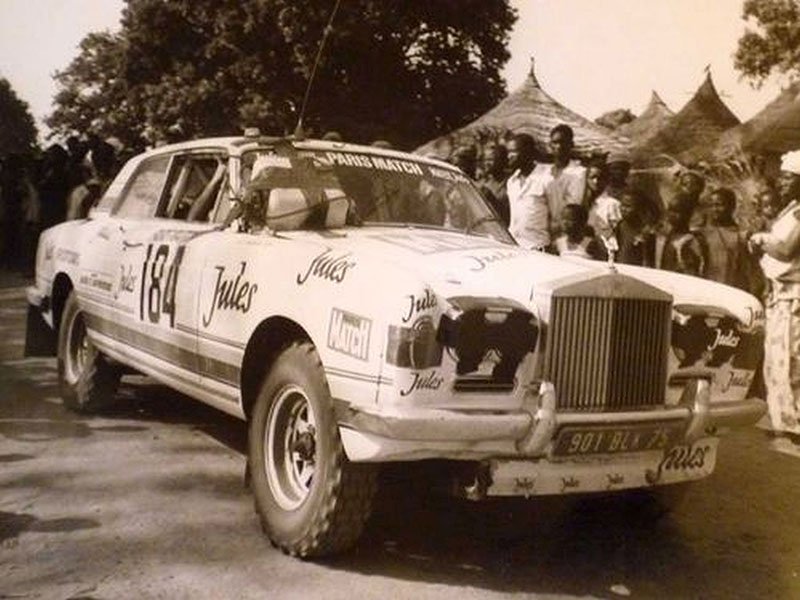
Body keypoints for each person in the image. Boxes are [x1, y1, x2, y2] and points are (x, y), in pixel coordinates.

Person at [748, 152, 800, 443]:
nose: (782, 183)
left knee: (792, 357)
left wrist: (760, 239)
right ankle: (784, 418)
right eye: (782, 177)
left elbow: (785, 249)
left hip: (794, 296)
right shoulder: (790, 211)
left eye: (789, 178)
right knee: (777, 358)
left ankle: (796, 421)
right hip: (780, 295)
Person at [699, 187, 752, 291]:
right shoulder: (702, 234)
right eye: (711, 205)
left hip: (734, 290)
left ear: (732, 207)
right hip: (708, 289)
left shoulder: (742, 235)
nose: (714, 209)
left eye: (719, 205)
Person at [506, 133, 550, 251]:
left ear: (527, 152)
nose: (509, 156)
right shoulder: (512, 182)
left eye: (513, 151)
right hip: (515, 247)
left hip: (538, 246)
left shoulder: (547, 177)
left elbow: (556, 215)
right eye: (508, 152)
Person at [543, 124, 586, 237]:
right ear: (550, 145)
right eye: (555, 142)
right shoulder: (544, 172)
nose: (559, 146)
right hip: (541, 228)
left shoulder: (579, 172)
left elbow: (574, 203)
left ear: (571, 145)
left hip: (566, 230)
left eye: (563, 142)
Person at [654, 192, 706, 276]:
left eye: (677, 212)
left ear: (688, 215)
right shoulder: (665, 236)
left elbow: (690, 273)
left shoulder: (690, 242)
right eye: (670, 210)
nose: (671, 215)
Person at [614, 188, 655, 266]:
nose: (623, 209)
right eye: (622, 205)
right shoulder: (619, 226)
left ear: (639, 208)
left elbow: (648, 260)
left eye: (628, 206)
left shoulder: (645, 232)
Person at [476, 142, 509, 226]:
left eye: (491, 159)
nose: (487, 163)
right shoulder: (481, 182)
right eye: (485, 159)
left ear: (502, 160)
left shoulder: (511, 183)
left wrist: (492, 199)